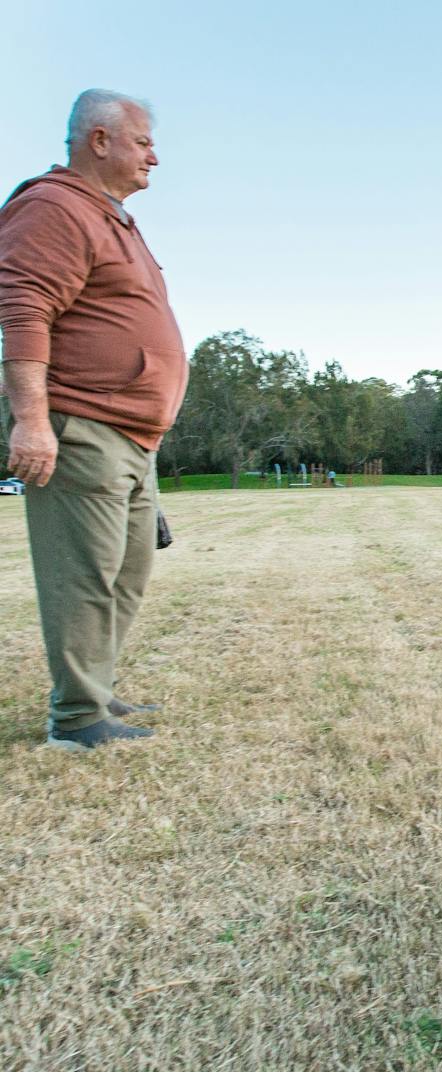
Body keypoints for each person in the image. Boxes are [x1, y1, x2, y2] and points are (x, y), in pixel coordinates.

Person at [0, 89, 187, 750]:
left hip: (134, 437)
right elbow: (23, 311)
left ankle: (98, 691)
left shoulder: (112, 220)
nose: (154, 158)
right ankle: (77, 720)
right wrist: (31, 421)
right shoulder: (53, 207)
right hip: (82, 423)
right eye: (143, 143)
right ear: (100, 140)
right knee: (83, 576)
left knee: (128, 572)